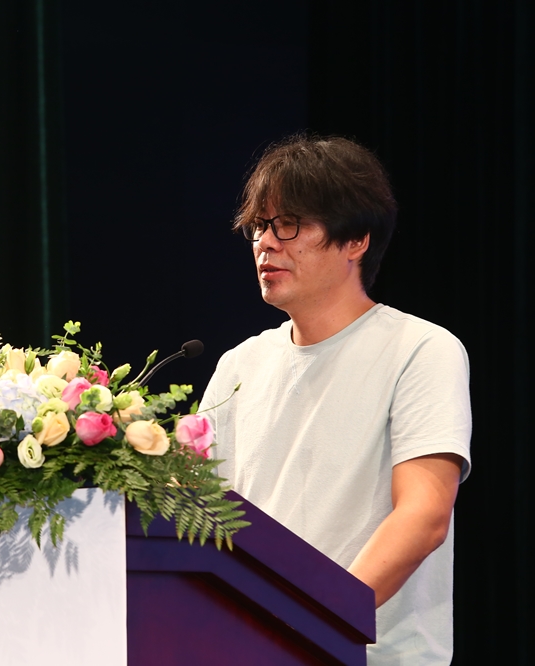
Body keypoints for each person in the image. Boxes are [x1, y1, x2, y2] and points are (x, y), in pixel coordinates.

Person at [201, 134, 471, 665]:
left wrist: (312, 623)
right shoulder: (238, 365)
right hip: (253, 649)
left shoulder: (420, 348)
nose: (266, 243)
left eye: (288, 225)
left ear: (356, 241)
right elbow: (195, 512)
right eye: (259, 226)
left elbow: (423, 515)